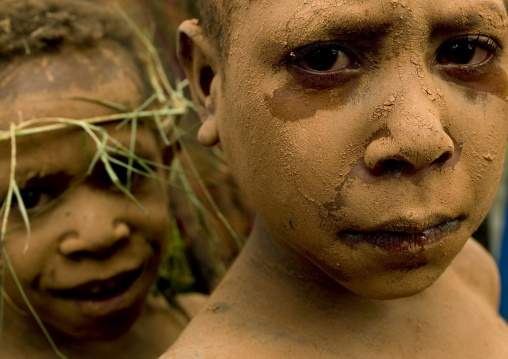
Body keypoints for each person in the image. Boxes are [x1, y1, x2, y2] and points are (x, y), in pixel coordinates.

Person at [161, 0, 508, 357]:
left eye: (465, 51)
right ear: (208, 83)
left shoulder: (471, 274)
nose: (421, 139)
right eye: (324, 59)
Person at [0, 0, 204, 358]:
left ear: (166, 162)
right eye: (27, 198)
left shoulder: (220, 331)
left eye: (124, 173)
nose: (98, 235)